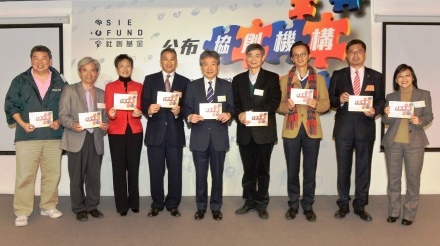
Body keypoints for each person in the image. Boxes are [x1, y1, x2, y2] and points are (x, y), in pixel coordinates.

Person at [4, 45, 67, 227]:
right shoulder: (20, 81)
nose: (40, 61)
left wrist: (60, 122)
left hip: (53, 134)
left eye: (44, 58)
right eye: (36, 58)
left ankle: (48, 206)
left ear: (50, 60)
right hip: (27, 136)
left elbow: (66, 107)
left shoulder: (60, 81)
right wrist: (22, 124)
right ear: (31, 60)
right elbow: (10, 106)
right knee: (25, 175)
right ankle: (22, 211)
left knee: (52, 173)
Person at [328, 39, 385, 221]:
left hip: (365, 129)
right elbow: (331, 100)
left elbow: (381, 101)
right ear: (346, 55)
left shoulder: (375, 76)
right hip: (344, 129)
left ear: (364, 54)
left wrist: (374, 111)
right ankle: (343, 203)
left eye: (359, 51)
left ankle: (360, 205)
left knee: (363, 169)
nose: (355, 54)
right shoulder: (338, 75)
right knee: (343, 169)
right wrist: (341, 100)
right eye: (351, 51)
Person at [277, 41, 330, 222]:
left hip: (311, 130)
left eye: (303, 54)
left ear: (309, 56)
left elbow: (326, 104)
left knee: (310, 170)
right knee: (292, 170)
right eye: (296, 55)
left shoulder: (320, 79)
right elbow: (279, 105)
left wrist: (317, 104)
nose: (299, 58)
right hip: (291, 130)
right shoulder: (284, 80)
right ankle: (293, 204)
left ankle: (308, 205)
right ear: (292, 59)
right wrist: (288, 107)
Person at [183, 50, 234, 221]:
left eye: (213, 64)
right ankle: (201, 206)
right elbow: (186, 108)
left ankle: (216, 206)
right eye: (206, 64)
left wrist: (228, 114)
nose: (209, 68)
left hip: (219, 137)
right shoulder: (192, 86)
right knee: (200, 174)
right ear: (201, 66)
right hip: (199, 137)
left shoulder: (227, 86)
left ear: (218, 66)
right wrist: (190, 117)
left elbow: (232, 107)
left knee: (217, 175)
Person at [232, 43, 281, 219]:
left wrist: (253, 112)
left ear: (263, 57)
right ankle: (249, 201)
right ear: (246, 58)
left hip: (264, 132)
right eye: (250, 55)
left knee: (263, 170)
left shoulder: (272, 77)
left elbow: (274, 103)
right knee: (248, 170)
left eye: (257, 55)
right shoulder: (238, 79)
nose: (253, 59)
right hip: (245, 132)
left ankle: (262, 203)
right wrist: (240, 114)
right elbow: (235, 104)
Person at [59, 57, 109, 222]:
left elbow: (105, 118)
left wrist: (105, 126)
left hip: (95, 138)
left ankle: (92, 206)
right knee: (77, 177)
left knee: (94, 177)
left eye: (93, 70)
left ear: (97, 73)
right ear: (79, 71)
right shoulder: (70, 90)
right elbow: (62, 115)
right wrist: (73, 124)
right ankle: (79, 208)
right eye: (85, 70)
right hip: (76, 138)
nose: (89, 73)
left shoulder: (102, 93)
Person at [382, 64, 433, 226]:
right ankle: (394, 211)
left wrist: (420, 121)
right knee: (393, 180)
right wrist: (387, 115)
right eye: (400, 76)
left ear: (413, 78)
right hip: (394, 143)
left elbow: (429, 116)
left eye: (407, 76)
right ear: (396, 80)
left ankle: (409, 214)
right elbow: (385, 121)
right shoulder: (391, 96)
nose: (404, 79)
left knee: (413, 180)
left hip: (415, 144)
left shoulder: (423, 94)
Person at [141, 48, 189, 217]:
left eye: (172, 59)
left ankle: (173, 203)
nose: (169, 62)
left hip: (175, 133)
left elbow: (188, 107)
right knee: (156, 170)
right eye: (165, 59)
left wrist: (179, 112)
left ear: (176, 62)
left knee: (175, 171)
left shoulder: (184, 82)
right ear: (160, 61)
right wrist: (149, 109)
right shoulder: (150, 80)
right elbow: (143, 103)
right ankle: (157, 203)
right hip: (155, 134)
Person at [105, 54, 143, 216]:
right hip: (116, 132)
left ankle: (134, 202)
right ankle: (121, 205)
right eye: (122, 66)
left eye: (128, 66)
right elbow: (108, 109)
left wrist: (138, 111)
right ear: (117, 69)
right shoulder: (110, 87)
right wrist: (111, 114)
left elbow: (141, 107)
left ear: (132, 68)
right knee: (118, 169)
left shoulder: (139, 86)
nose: (125, 69)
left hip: (134, 131)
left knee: (133, 168)